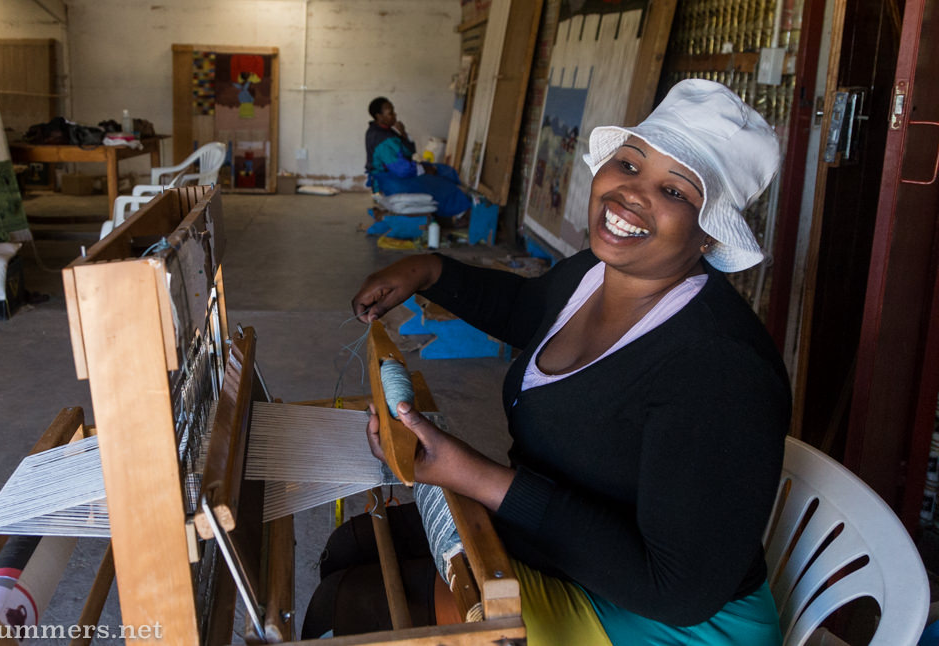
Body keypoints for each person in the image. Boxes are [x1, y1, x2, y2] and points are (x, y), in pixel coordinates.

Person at [310, 79, 790, 645]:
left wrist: (475, 476)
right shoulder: (592, 274)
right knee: (354, 548)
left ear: (709, 235)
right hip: (572, 552)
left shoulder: (719, 369)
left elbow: (676, 590)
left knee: (359, 603)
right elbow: (529, 310)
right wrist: (428, 271)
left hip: (669, 621)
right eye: (630, 166)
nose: (633, 195)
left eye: (676, 192)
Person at [364, 96, 472, 220]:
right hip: (392, 179)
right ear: (379, 116)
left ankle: (457, 204)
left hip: (400, 171)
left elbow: (409, 152)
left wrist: (403, 133)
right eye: (390, 113)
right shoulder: (381, 138)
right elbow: (402, 170)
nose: (394, 114)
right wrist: (424, 170)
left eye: (393, 111)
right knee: (439, 185)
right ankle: (461, 212)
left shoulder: (385, 130)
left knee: (444, 170)